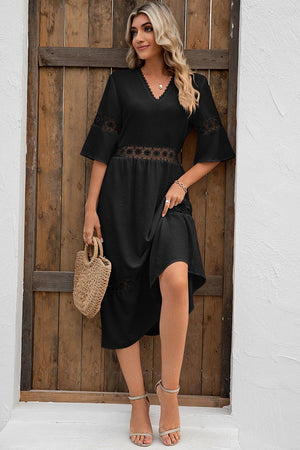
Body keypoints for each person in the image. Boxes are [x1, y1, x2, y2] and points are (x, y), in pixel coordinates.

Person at [80, 1, 235, 446]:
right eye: (134, 32)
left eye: (147, 29)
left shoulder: (193, 84)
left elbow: (214, 149)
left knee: (177, 281)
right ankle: (137, 403)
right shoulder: (121, 83)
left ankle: (170, 393)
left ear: (163, 32)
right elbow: (102, 149)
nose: (139, 38)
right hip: (120, 200)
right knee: (122, 293)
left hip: (168, 199)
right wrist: (91, 208)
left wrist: (183, 182)